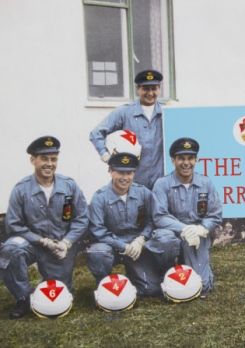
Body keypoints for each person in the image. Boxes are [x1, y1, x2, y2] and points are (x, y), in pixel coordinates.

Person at [0, 136, 88, 319]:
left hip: (60, 247)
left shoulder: (69, 186)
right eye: (44, 158)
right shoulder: (21, 189)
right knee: (10, 249)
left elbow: (82, 219)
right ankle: (23, 298)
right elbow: (13, 224)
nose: (49, 164)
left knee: (56, 297)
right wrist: (41, 241)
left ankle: (48, 287)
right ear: (33, 160)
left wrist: (67, 243)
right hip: (34, 243)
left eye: (53, 159)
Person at [86, 152, 173, 296]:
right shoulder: (100, 197)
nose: (125, 178)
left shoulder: (143, 193)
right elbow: (98, 230)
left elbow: (153, 220)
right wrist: (122, 246)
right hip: (113, 246)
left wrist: (141, 239)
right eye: (120, 172)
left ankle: (145, 276)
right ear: (110, 171)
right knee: (98, 252)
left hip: (136, 248)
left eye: (129, 173)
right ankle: (104, 285)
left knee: (150, 290)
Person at [151, 138, 222, 298]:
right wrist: (184, 229)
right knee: (164, 239)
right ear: (173, 160)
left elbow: (215, 214)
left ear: (196, 160)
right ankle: (167, 272)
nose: (186, 163)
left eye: (190, 158)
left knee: (203, 286)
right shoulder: (162, 184)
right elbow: (159, 216)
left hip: (196, 236)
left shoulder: (206, 183)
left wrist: (201, 229)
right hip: (173, 234)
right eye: (181, 158)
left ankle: (190, 264)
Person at [89, 69, 165, 189]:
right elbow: (96, 133)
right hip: (133, 184)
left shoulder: (166, 113)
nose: (150, 93)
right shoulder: (124, 112)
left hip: (160, 185)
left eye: (154, 88)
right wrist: (106, 156)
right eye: (146, 88)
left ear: (159, 89)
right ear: (138, 89)